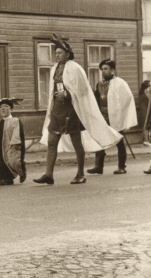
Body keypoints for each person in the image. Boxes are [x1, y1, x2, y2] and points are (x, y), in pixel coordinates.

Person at [33, 33, 121, 185]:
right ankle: (49, 174)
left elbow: (82, 90)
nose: (57, 56)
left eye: (60, 53)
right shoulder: (54, 68)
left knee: (76, 142)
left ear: (67, 54)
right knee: (52, 141)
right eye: (56, 53)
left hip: (72, 110)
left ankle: (80, 174)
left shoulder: (76, 68)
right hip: (56, 110)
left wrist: (66, 94)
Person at [87, 59, 138, 175]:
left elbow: (128, 98)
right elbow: (96, 100)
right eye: (102, 69)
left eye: (106, 69)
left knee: (119, 142)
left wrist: (120, 113)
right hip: (102, 116)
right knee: (99, 141)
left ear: (113, 70)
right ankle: (98, 166)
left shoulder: (120, 83)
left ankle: (122, 166)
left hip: (115, 117)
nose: (103, 71)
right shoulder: (99, 84)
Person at [0, 98, 26, 185]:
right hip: (1, 148)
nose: (3, 108)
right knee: (2, 163)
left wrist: (15, 143)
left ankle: (22, 172)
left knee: (14, 161)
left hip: (14, 146)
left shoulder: (15, 121)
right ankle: (4, 179)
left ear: (11, 109)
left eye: (6, 106)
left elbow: (18, 133)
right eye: (1, 107)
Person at [138, 80, 151, 146]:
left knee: (145, 126)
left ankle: (146, 140)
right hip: (145, 111)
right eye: (149, 87)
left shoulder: (141, 93)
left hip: (143, 111)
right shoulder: (145, 93)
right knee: (145, 126)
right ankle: (146, 140)